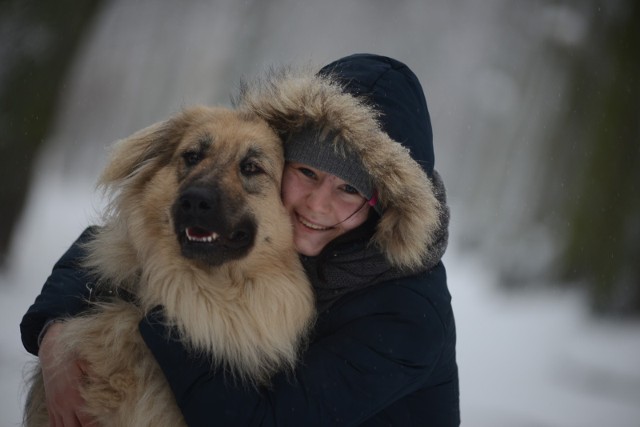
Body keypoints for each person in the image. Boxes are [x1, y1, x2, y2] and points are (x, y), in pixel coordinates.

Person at [21, 53, 459, 426]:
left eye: (349, 189)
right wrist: (55, 331)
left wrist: (160, 300)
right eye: (307, 173)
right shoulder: (287, 229)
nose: (316, 206)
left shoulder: (409, 316)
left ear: (384, 205)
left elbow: (262, 421)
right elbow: (111, 242)